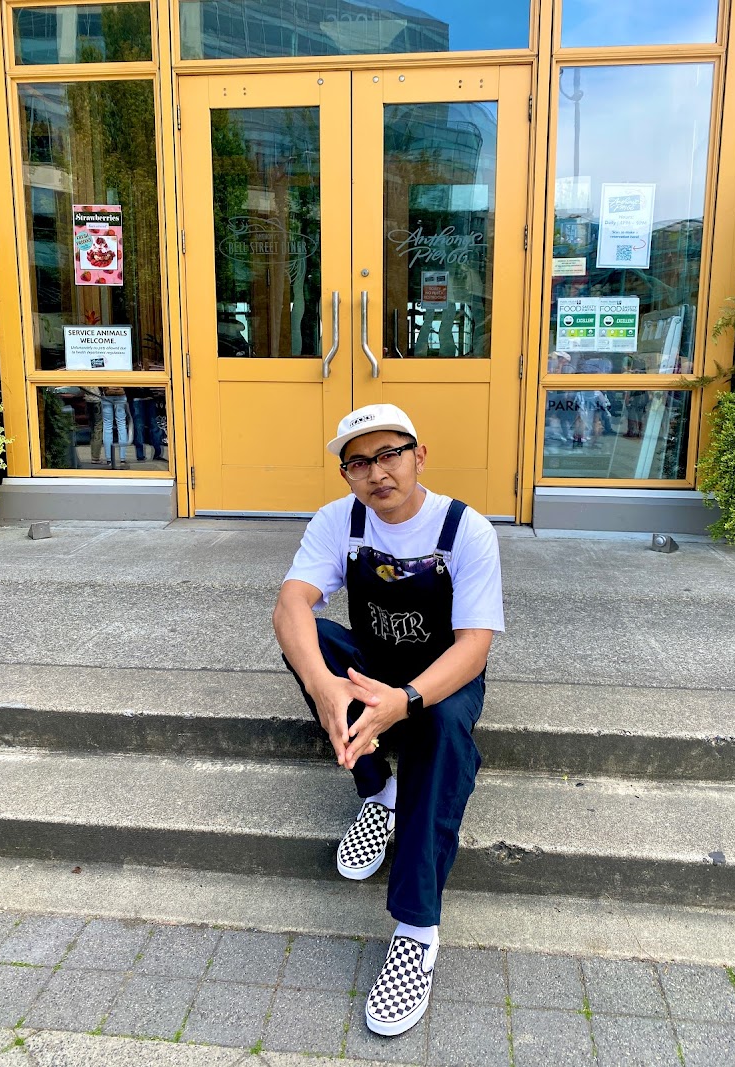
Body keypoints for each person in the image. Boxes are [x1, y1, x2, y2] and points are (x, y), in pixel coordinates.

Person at [273, 404, 504, 1037]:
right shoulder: (339, 521)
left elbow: (474, 646)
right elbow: (292, 603)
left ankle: (416, 926)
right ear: (345, 474)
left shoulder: (465, 529)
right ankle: (379, 792)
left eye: (390, 454)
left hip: (442, 678)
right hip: (371, 667)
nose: (377, 473)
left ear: (419, 456)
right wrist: (323, 687)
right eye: (358, 463)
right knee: (314, 641)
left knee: (444, 730)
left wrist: (406, 699)